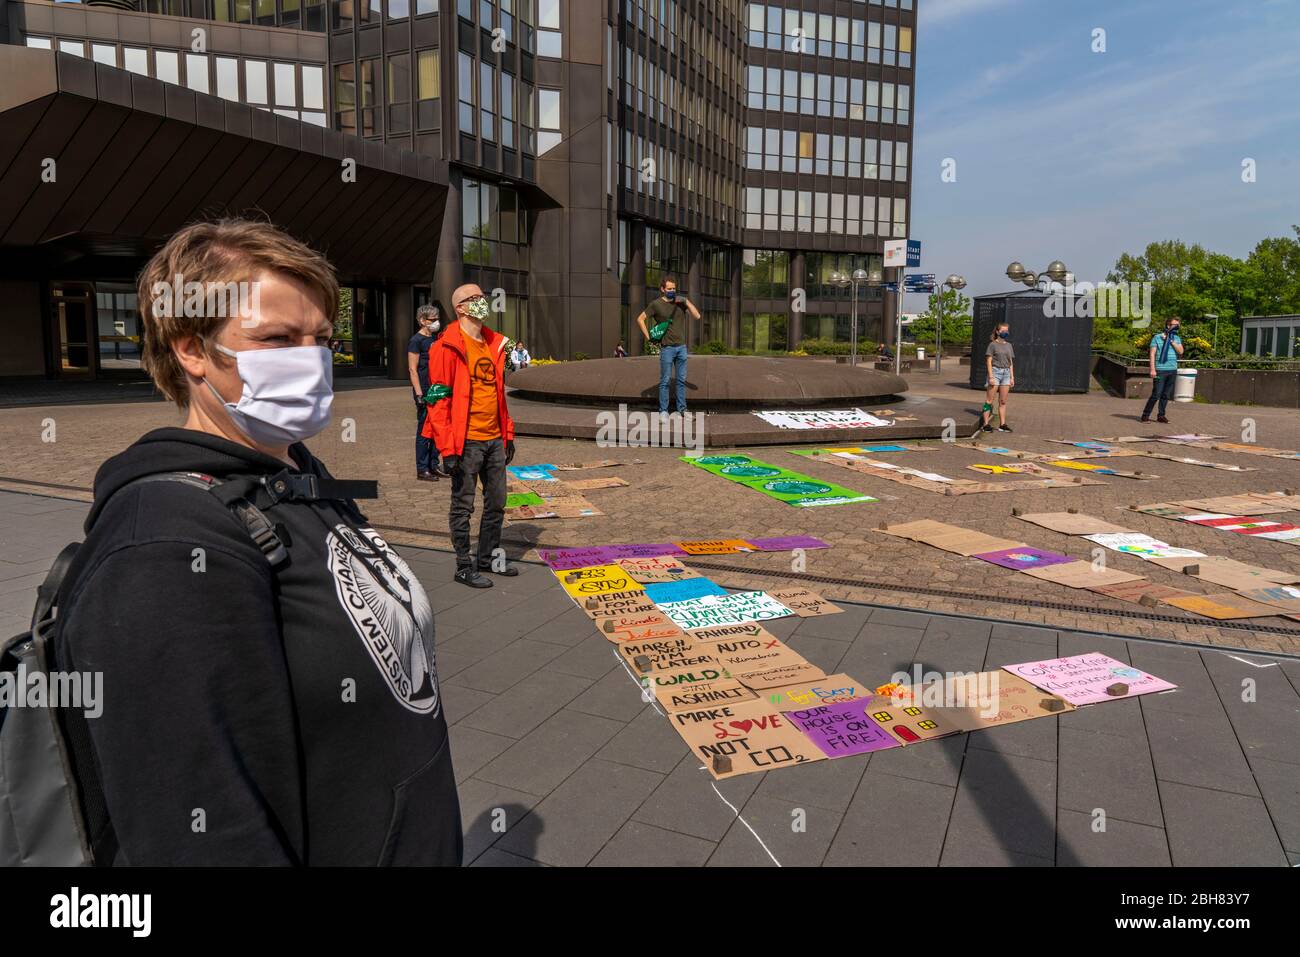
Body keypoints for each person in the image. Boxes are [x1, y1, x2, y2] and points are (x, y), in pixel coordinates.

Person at [51, 219, 461, 865]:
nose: (310, 358)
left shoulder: (298, 475)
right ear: (191, 348)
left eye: (321, 338)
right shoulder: (161, 544)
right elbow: (199, 834)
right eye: (276, 339)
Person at [422, 284, 519, 588]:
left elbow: (498, 394)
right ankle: (463, 565)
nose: (482, 303)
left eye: (482, 298)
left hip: (494, 440)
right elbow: (438, 402)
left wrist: (508, 433)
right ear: (461, 308)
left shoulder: (493, 343)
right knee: (463, 505)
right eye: (475, 299)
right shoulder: (445, 346)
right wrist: (447, 449)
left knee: (497, 502)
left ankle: (487, 558)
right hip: (466, 442)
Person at [636, 275, 699, 414]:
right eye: (669, 288)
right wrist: (650, 338)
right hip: (667, 348)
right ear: (663, 289)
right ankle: (663, 411)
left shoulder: (680, 303)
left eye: (674, 288)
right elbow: (640, 319)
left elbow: (697, 316)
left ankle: (682, 409)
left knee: (681, 381)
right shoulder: (656, 304)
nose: (672, 290)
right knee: (665, 381)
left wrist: (686, 301)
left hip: (682, 348)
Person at [407, 303, 442, 481]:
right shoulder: (416, 341)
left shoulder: (435, 338)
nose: (436, 322)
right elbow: (413, 370)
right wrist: (419, 394)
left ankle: (434, 465)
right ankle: (422, 469)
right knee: (424, 430)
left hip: (437, 389)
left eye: (437, 319)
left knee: (437, 429)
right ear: (422, 320)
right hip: (424, 390)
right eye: (432, 319)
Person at [1141, 317, 1184, 424]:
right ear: (1168, 325)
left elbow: (1180, 351)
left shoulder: (1176, 338)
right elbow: (1152, 354)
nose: (1177, 327)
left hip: (1172, 369)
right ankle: (1145, 416)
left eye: (1178, 325)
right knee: (1156, 394)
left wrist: (1171, 341)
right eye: (1175, 325)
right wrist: (1152, 369)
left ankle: (1161, 416)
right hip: (1160, 370)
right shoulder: (1157, 337)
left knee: (1166, 395)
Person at [981, 322, 1015, 432]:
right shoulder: (992, 345)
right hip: (995, 372)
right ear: (997, 331)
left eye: (1007, 331)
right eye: (1003, 331)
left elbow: (1010, 362)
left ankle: (1002, 424)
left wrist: (1012, 377)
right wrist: (991, 376)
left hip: (1006, 374)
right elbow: (989, 361)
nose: (1005, 333)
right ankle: (985, 424)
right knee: (989, 400)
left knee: (1003, 401)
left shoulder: (1009, 345)